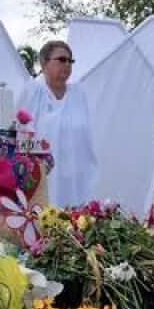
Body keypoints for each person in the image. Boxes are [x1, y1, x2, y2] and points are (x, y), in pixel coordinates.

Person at [17, 40, 97, 208]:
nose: (67, 64)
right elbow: (20, 134)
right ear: (45, 63)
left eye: (70, 61)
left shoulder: (78, 94)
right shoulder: (33, 91)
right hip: (42, 178)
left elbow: (85, 141)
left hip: (74, 179)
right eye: (61, 59)